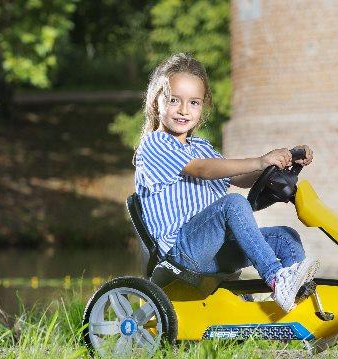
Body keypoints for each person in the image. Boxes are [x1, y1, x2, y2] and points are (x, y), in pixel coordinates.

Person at [133, 53, 319, 312]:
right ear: (156, 102)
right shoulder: (154, 144)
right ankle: (278, 278)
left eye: (194, 102)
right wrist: (259, 161)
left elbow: (239, 178)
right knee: (231, 204)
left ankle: (295, 307)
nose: (184, 110)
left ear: (203, 106)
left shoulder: (199, 146)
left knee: (286, 237)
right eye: (174, 100)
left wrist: (281, 163)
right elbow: (203, 169)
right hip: (183, 253)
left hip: (215, 250)